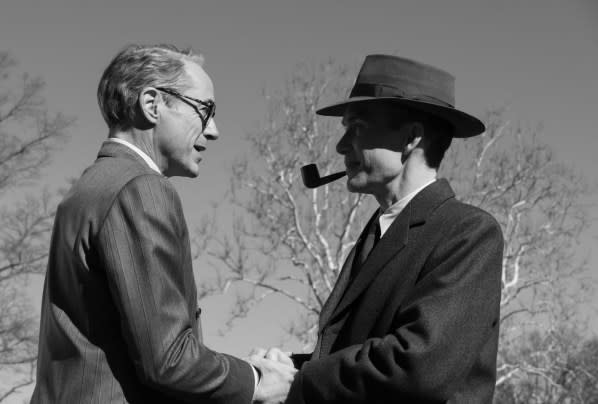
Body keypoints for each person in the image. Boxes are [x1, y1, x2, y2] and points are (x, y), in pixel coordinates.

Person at [31, 44, 295, 404]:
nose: (214, 130)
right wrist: (257, 380)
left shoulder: (88, 189)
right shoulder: (140, 188)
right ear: (152, 104)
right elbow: (170, 361)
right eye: (205, 110)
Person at [264, 54, 504, 403]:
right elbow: (355, 353)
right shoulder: (377, 235)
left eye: (356, 127)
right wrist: (287, 368)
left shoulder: (468, 232)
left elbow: (417, 365)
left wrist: (297, 383)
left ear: (410, 138)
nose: (341, 145)